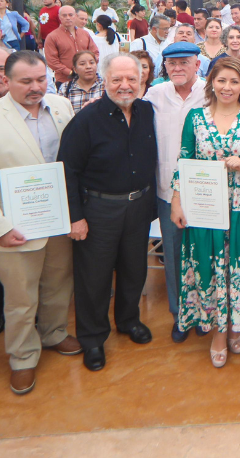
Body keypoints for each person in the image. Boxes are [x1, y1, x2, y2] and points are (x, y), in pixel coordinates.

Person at [0, 51, 80, 396]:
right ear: (6, 80)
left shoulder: (61, 107)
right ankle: (23, 356)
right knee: (20, 297)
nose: (35, 87)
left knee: (59, 283)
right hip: (16, 227)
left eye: (41, 79)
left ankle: (54, 333)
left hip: (58, 218)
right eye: (26, 81)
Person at [57, 54, 156, 371]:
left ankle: (128, 321)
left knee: (134, 269)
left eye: (131, 79)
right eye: (117, 79)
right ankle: (92, 339)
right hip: (98, 210)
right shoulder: (85, 120)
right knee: (94, 278)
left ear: (141, 80)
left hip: (138, 206)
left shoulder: (146, 111)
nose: (125, 85)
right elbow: (67, 171)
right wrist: (75, 217)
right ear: (105, 81)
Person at [142, 41, 207, 342]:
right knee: (173, 255)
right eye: (172, 63)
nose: (177, 68)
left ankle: (205, 312)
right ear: (165, 66)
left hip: (205, 191)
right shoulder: (155, 94)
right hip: (167, 192)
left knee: (205, 253)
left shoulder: (211, 92)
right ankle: (180, 315)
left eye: (184, 62)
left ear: (197, 64)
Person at [43, 7, 97, 85]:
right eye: (64, 15)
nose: (68, 18)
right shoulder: (52, 37)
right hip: (65, 81)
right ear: (59, 17)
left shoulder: (85, 34)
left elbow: (95, 53)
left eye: (70, 15)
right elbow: (52, 61)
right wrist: (70, 72)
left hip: (87, 80)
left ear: (75, 16)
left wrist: (89, 67)